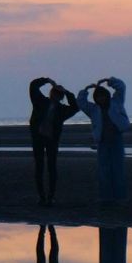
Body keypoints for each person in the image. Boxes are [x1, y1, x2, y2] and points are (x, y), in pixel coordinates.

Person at [77, 76, 130, 202]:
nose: (101, 99)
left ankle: (120, 197)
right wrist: (86, 90)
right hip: (102, 142)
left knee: (118, 169)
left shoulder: (116, 102)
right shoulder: (94, 109)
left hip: (117, 139)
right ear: (96, 99)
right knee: (104, 170)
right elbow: (81, 103)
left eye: (103, 96)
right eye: (98, 97)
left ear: (107, 96)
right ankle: (105, 197)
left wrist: (109, 81)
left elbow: (121, 87)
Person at [29, 76, 79, 204]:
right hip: (38, 138)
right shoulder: (40, 101)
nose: (56, 95)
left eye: (59, 94)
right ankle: (41, 197)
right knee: (39, 167)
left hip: (52, 140)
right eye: (55, 92)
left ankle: (51, 197)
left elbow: (75, 107)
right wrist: (47, 80)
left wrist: (67, 92)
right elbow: (33, 86)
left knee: (51, 167)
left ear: (61, 96)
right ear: (51, 93)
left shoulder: (62, 110)